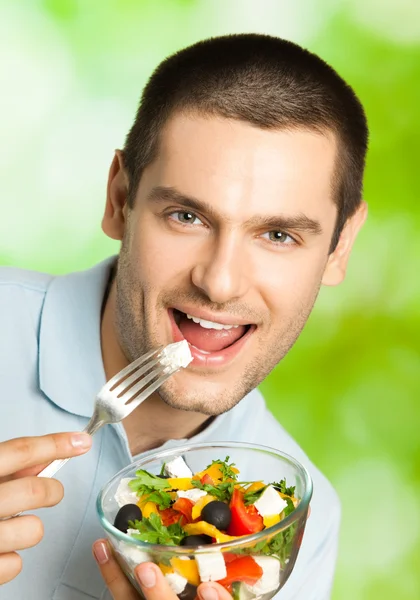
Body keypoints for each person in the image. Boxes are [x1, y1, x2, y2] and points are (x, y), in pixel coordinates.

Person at [0, 33, 368, 599]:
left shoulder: (298, 530)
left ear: (339, 248)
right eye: (186, 216)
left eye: (278, 235)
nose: (219, 282)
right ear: (120, 199)